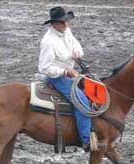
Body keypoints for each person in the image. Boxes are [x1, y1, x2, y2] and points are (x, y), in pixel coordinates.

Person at [38, 6, 98, 152]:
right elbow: (44, 68)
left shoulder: (66, 31)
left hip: (72, 72)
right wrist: (65, 72)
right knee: (82, 102)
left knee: (95, 87)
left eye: (66, 22)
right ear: (54, 24)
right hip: (57, 78)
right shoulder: (48, 42)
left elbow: (75, 44)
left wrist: (78, 52)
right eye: (63, 22)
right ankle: (86, 141)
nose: (66, 24)